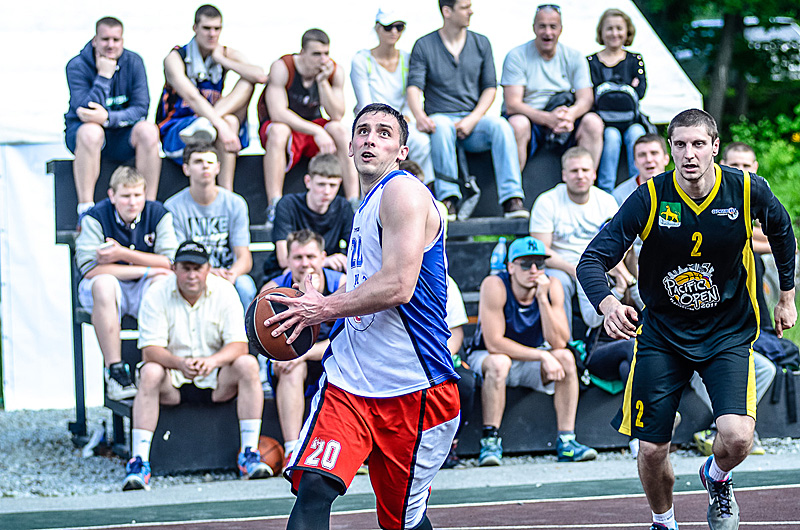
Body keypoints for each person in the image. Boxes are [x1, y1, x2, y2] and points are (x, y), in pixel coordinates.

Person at [577, 109, 797, 530]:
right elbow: (591, 260)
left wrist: (786, 298)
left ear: (715, 147)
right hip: (663, 335)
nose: (689, 154)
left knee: (738, 438)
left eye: (698, 144)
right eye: (680, 144)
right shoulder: (649, 197)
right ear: (670, 149)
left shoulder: (746, 189)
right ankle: (664, 521)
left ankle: (716, 477)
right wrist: (608, 305)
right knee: (651, 449)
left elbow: (783, 232)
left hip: (727, 331)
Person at [263, 103, 460, 530]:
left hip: (412, 384)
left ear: (402, 151)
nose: (371, 138)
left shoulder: (402, 192)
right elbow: (364, 285)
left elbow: (399, 286)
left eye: (384, 132)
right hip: (350, 379)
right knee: (313, 486)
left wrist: (324, 308)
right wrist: (316, 304)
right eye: (363, 131)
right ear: (350, 146)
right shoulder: (365, 204)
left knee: (401, 522)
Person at [124, 240, 269, 491]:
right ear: (174, 269)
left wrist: (213, 361)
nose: (192, 275)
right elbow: (149, 351)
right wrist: (178, 363)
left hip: (217, 381)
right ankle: (139, 461)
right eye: (186, 268)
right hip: (172, 383)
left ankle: (249, 453)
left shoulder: (225, 290)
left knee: (248, 364)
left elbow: (240, 345)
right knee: (149, 371)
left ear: (208, 269)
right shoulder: (156, 293)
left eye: (197, 268)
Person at [465, 236, 597, 466]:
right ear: (511, 267)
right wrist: (542, 355)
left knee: (565, 358)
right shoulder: (495, 285)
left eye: (539, 263)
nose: (534, 270)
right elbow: (494, 343)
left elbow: (559, 342)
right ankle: (490, 441)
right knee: (499, 363)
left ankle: (566, 441)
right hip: (488, 357)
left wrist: (542, 300)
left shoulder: (552, 286)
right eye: (526, 264)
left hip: (530, 359)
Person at [692, 141, 780, 458]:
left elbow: (778, 233)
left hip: (736, 322)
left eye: (746, 166)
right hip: (692, 324)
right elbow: (746, 234)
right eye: (735, 165)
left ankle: (731, 431)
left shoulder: (757, 193)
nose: (740, 171)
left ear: (755, 167)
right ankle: (724, 428)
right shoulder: (708, 195)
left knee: (766, 368)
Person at [407, 0, 528, 219]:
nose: (471, 11)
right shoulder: (424, 45)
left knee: (501, 126)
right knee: (441, 127)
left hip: (473, 121)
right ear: (447, 11)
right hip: (441, 119)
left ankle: (512, 199)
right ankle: (448, 199)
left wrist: (473, 119)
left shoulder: (481, 43)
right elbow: (414, 87)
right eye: (464, 7)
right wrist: (420, 116)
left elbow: (490, 88)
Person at [75, 166, 177, 401]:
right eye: (125, 196)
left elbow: (170, 262)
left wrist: (122, 254)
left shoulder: (158, 213)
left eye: (137, 195)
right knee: (103, 284)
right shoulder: (95, 216)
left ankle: (154, 364)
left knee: (164, 281)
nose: (132, 202)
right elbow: (89, 269)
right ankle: (115, 371)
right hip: (107, 290)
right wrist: (148, 267)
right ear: (112, 195)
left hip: (143, 286)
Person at [156, 4, 267, 190]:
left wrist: (223, 60)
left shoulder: (223, 53)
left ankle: (226, 193)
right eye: (207, 28)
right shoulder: (175, 57)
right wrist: (221, 125)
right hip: (180, 127)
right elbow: (192, 97)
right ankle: (210, 125)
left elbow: (260, 76)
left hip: (210, 126)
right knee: (228, 123)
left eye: (217, 28)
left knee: (245, 88)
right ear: (195, 28)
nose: (212, 34)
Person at [261, 229, 344, 466]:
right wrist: (291, 356)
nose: (305, 263)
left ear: (323, 257)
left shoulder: (342, 284)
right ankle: (292, 451)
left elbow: (349, 339)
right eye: (298, 257)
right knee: (290, 367)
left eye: (311, 256)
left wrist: (305, 354)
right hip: (291, 362)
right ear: (287, 260)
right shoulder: (272, 291)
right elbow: (268, 343)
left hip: (331, 356)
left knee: (346, 361)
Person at [259, 28, 358, 222]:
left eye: (326, 53)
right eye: (316, 54)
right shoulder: (283, 67)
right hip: (286, 127)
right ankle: (274, 204)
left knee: (340, 130)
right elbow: (277, 113)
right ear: (302, 52)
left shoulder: (333, 71)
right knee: (279, 130)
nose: (323, 60)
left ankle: (354, 203)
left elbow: (337, 114)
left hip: (313, 130)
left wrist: (323, 83)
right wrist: (316, 131)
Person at [65, 16, 161, 214]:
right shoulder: (77, 65)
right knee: (91, 131)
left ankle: (148, 208)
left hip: (122, 135)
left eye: (116, 40)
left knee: (149, 131)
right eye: (105, 39)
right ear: (95, 40)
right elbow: (85, 109)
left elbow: (141, 108)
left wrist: (108, 118)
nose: (111, 45)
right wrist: (104, 76)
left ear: (122, 41)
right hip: (85, 138)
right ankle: (85, 209)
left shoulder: (134, 62)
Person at [529, 146, 631, 329]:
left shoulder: (606, 201)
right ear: (564, 175)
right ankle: (564, 340)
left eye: (585, 170)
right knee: (557, 283)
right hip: (561, 266)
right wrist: (576, 270)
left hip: (600, 264)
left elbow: (621, 243)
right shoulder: (547, 201)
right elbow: (541, 250)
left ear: (593, 174)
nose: (580, 176)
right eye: (574, 171)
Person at [501, 5, 603, 171]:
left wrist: (570, 115)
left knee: (593, 122)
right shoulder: (516, 56)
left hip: (565, 119)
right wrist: (548, 119)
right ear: (534, 28)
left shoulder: (575, 56)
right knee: (517, 124)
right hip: (531, 119)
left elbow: (586, 99)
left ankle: (587, 181)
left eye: (553, 26)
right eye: (542, 26)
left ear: (561, 29)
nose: (547, 33)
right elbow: (512, 104)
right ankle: (513, 185)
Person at [165, 143, 257, 309]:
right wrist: (208, 272)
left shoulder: (236, 203)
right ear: (186, 169)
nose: (205, 166)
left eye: (210, 162)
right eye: (198, 162)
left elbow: (244, 257)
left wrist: (232, 274)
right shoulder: (173, 207)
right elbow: (178, 257)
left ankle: (246, 328)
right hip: (192, 273)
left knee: (245, 286)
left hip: (227, 273)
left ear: (218, 167)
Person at [351, 7, 435, 186]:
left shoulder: (407, 58)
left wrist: (403, 120)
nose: (394, 32)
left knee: (422, 143)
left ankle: (425, 190)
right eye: (388, 27)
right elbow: (366, 105)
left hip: (402, 123)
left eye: (399, 27)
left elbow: (413, 94)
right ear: (377, 28)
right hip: (373, 124)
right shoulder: (362, 60)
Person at [262, 153, 354, 283]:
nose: (327, 191)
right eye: (321, 184)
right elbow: (283, 259)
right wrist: (324, 261)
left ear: (339, 183)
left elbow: (356, 251)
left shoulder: (343, 207)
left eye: (332, 185)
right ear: (308, 181)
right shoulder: (288, 204)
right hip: (291, 271)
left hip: (328, 273)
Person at [587, 9, 648, 193]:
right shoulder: (591, 61)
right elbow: (589, 94)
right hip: (605, 122)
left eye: (619, 28)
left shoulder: (635, 59)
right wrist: (627, 86)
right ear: (601, 32)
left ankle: (639, 190)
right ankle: (606, 191)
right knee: (612, 137)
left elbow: (641, 91)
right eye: (609, 29)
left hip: (631, 121)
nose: (614, 33)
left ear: (627, 31)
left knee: (637, 133)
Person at [613, 134, 670, 206]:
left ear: (666, 159)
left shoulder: (681, 189)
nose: (648, 159)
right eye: (642, 155)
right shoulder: (619, 196)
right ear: (635, 162)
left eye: (654, 153)